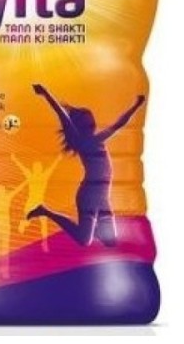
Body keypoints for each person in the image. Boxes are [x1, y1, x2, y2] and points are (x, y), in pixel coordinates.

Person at [28, 84, 145, 247]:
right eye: (89, 124)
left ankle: (93, 229)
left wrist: (136, 106)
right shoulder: (82, 142)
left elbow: (119, 124)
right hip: (89, 196)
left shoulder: (99, 139)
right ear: (82, 127)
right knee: (84, 241)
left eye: (93, 122)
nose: (93, 126)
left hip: (103, 197)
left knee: (111, 241)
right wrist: (46, 93)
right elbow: (62, 115)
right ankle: (45, 211)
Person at [11, 153, 63, 252]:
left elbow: (52, 168)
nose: (37, 169)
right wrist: (15, 160)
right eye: (35, 168)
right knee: (27, 221)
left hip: (40, 203)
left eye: (39, 167)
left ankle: (45, 242)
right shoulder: (30, 175)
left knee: (44, 224)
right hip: (31, 202)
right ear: (34, 169)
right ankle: (23, 223)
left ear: (41, 169)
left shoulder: (44, 175)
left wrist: (58, 159)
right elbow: (22, 168)